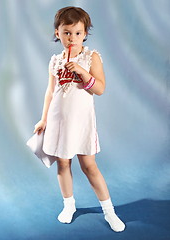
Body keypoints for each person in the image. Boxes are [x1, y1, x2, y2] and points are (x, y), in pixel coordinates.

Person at [33, 6, 125, 232]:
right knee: (63, 163)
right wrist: (43, 119)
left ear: (85, 33)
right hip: (58, 121)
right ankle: (69, 205)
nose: (71, 37)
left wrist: (84, 73)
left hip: (82, 122)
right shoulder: (54, 60)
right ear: (58, 33)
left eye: (77, 33)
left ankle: (109, 211)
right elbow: (50, 91)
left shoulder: (90, 57)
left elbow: (101, 89)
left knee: (89, 165)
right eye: (66, 32)